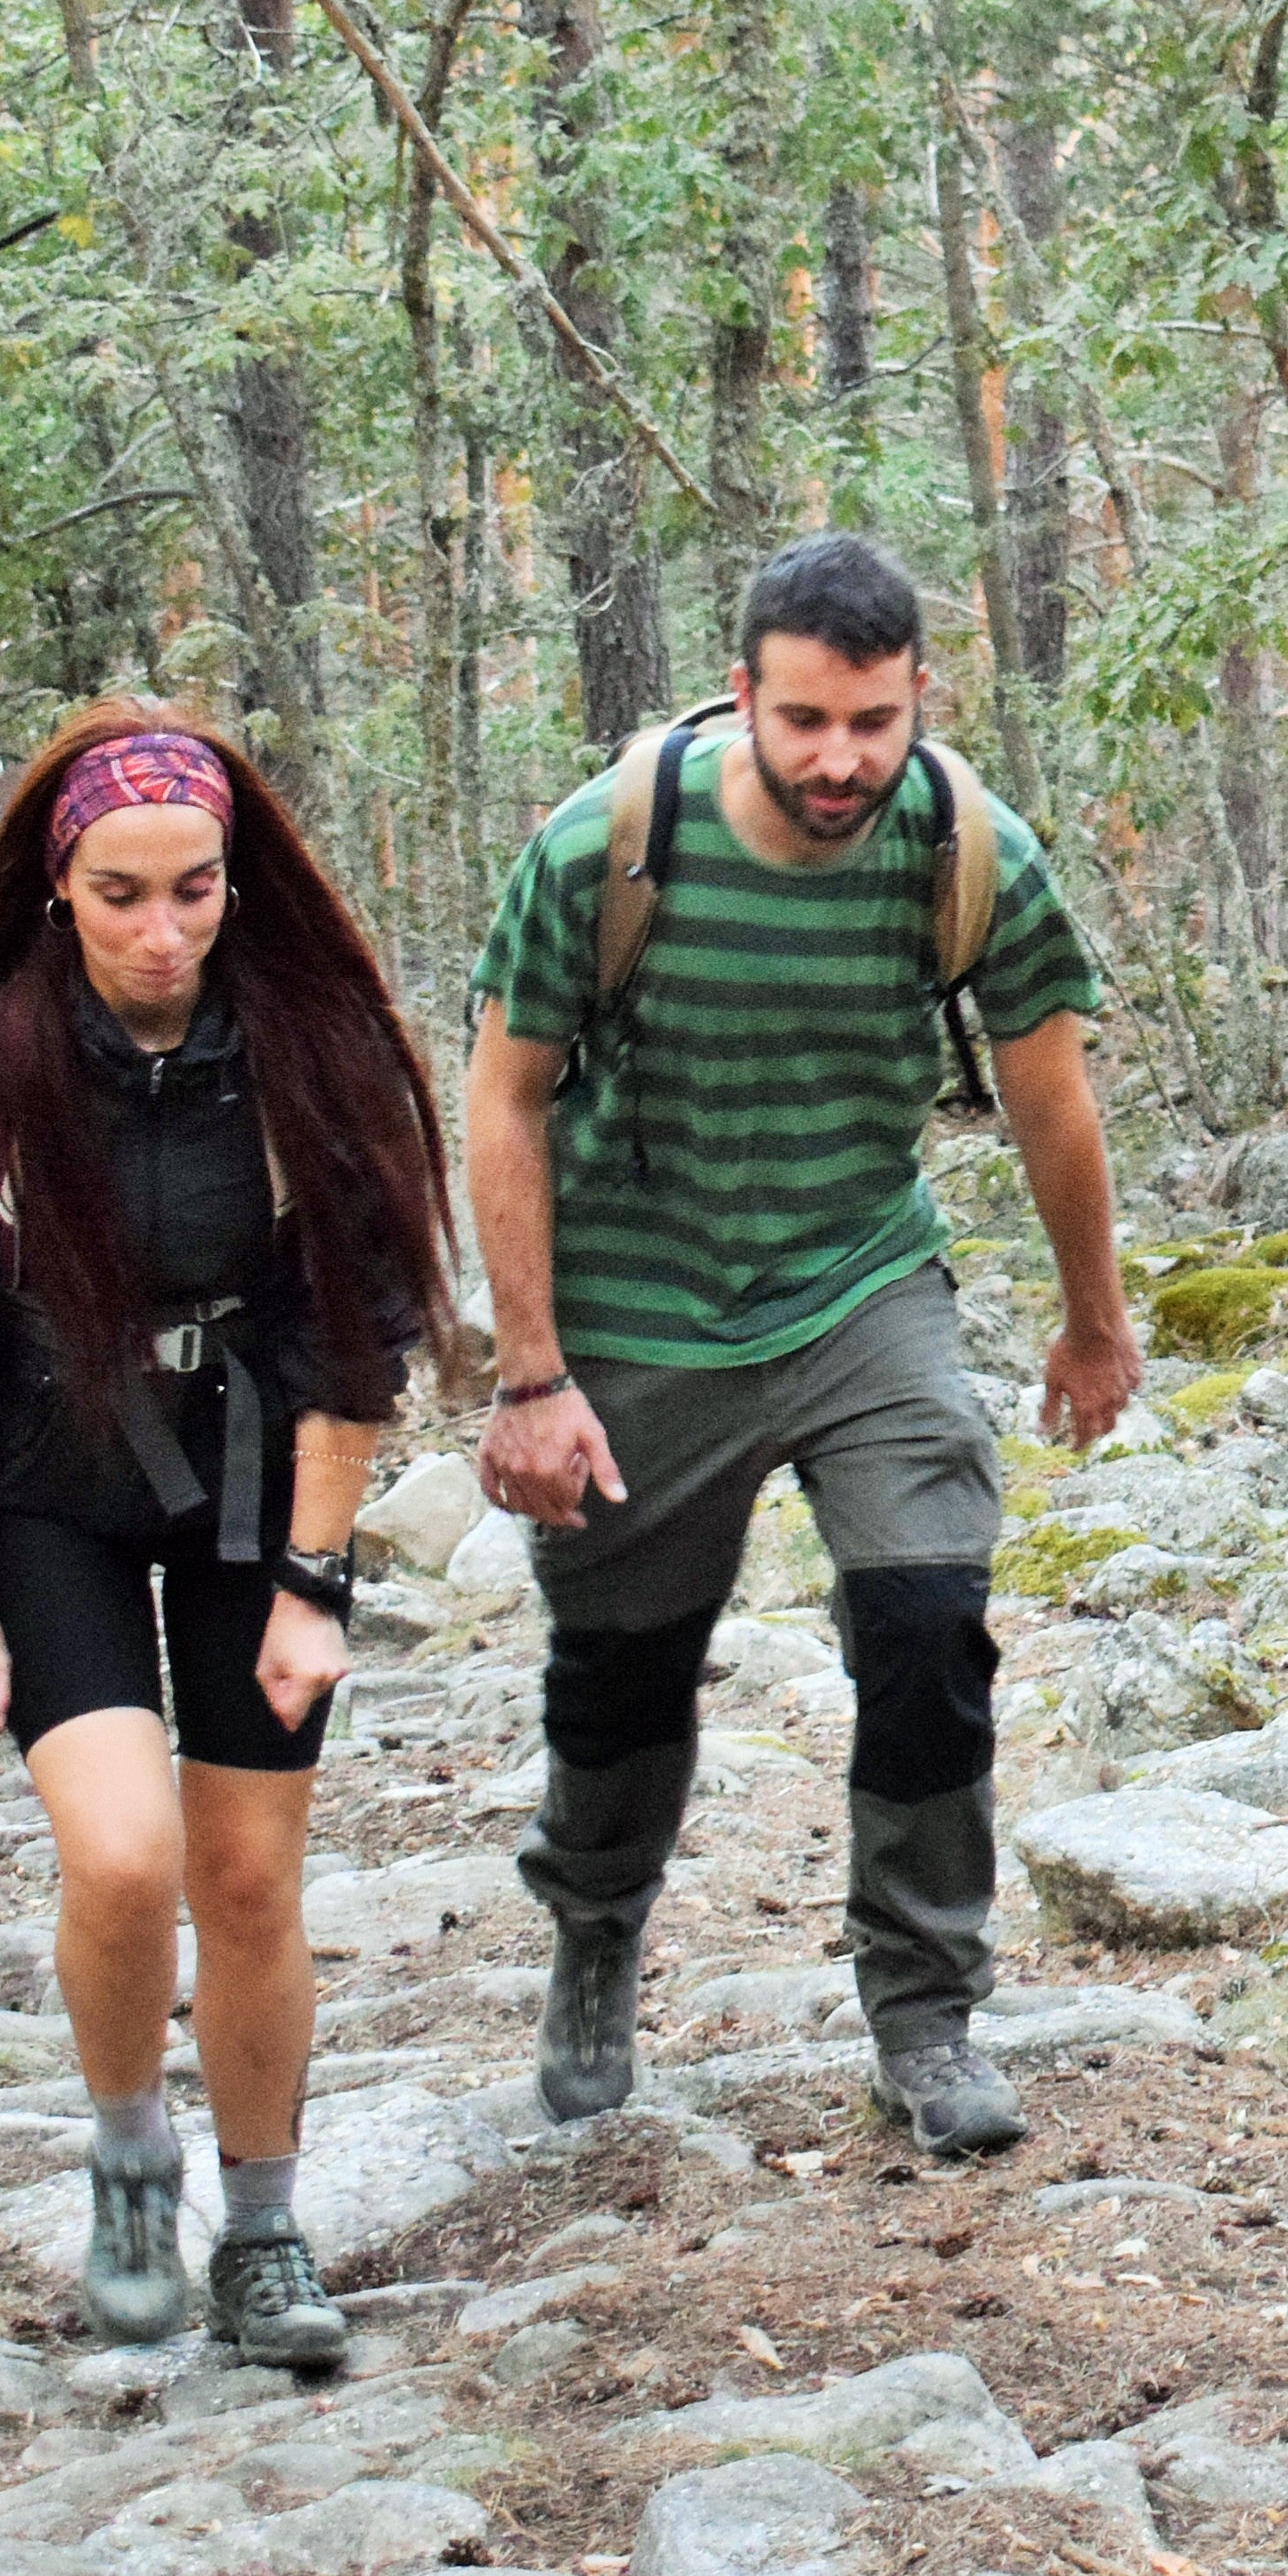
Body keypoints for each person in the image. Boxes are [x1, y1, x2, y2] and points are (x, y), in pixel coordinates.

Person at [470, 532, 1131, 2160]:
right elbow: (499, 1095)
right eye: (807, 722)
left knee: (929, 1621)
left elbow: (1050, 1098)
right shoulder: (604, 849)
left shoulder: (969, 849)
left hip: (860, 1284)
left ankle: (925, 2009)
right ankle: (596, 1938)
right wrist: (531, 1373)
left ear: (920, 701)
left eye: (875, 724)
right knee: (622, 1671)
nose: (841, 760)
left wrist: (1094, 1322)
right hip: (638, 1302)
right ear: (745, 695)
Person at [0, 710, 452, 2362]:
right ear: (58, 889)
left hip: (258, 1487)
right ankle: (131, 2160)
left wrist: (319, 1586)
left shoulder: (308, 1045)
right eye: (120, 894)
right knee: (124, 1860)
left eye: (195, 890)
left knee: (250, 1879)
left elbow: (362, 1333)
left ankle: (261, 2236)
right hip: (54, 1485)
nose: (162, 930)